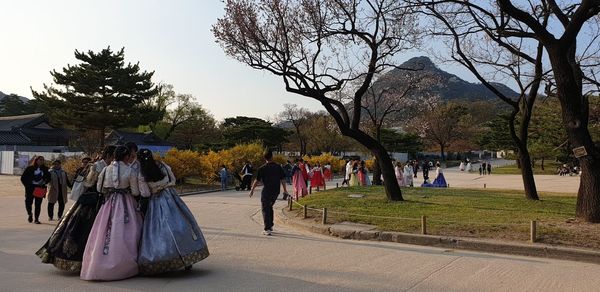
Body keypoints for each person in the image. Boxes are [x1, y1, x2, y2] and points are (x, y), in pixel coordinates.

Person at [136, 149, 209, 275]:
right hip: (170, 197)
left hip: (155, 201)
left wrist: (154, 189)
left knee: (158, 232)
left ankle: (164, 260)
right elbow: (173, 180)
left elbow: (145, 193)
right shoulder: (162, 165)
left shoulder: (141, 173)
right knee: (181, 224)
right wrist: (165, 185)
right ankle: (188, 257)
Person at [80, 146, 143, 281]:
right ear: (126, 157)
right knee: (128, 231)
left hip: (109, 203)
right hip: (125, 203)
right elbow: (136, 192)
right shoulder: (130, 170)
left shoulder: (105, 169)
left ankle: (98, 263)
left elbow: (99, 188)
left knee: (102, 231)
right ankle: (123, 264)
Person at [249, 150, 288, 236]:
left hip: (267, 191)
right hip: (276, 191)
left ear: (264, 158)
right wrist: (285, 190)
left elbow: (257, 180)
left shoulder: (262, 168)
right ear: (272, 157)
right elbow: (283, 179)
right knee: (269, 206)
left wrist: (252, 190)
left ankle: (267, 228)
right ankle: (270, 225)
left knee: (265, 208)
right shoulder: (278, 167)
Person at [20, 156, 51, 224]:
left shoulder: (45, 169)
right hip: (30, 188)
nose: (41, 161)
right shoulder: (30, 168)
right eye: (40, 160)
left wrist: (44, 182)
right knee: (28, 202)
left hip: (40, 188)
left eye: (43, 160)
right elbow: (23, 178)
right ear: (36, 160)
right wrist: (28, 185)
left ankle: (36, 219)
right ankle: (30, 214)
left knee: (38, 204)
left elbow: (49, 177)